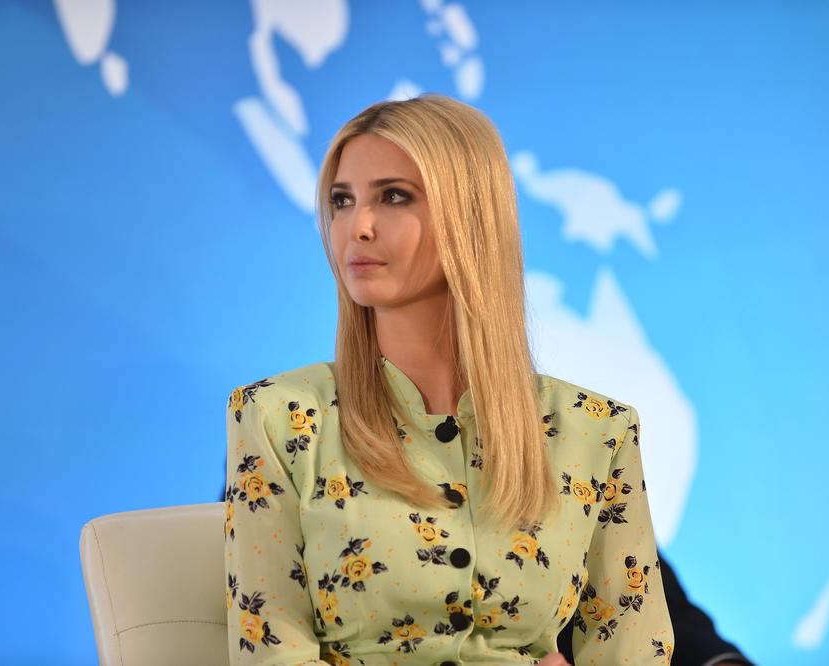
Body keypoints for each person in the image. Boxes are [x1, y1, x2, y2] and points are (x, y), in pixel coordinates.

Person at [222, 93, 674, 665]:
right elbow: (269, 654)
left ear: (472, 215)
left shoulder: (596, 431)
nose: (355, 227)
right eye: (341, 200)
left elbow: (634, 650)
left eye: (393, 197)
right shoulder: (278, 417)